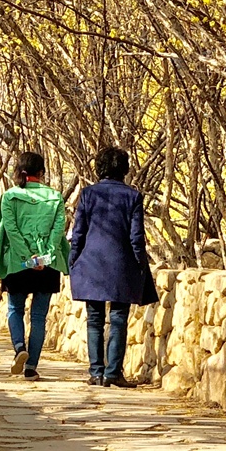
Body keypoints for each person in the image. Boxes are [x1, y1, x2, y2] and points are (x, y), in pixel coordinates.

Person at [68, 145, 155, 388]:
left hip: (91, 263)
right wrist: (140, 262)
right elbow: (136, 236)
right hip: (121, 264)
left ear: (100, 167)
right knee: (118, 318)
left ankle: (96, 372)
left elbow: (79, 232)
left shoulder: (87, 194)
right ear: (124, 169)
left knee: (94, 318)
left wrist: (73, 260)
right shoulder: (133, 196)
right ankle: (113, 372)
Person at [0, 152, 69, 380]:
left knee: (15, 309)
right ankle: (32, 367)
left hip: (18, 263)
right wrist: (43, 258)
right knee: (38, 316)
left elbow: (11, 231)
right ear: (42, 173)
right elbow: (58, 233)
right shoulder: (55, 197)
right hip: (47, 264)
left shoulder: (10, 196)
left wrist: (27, 257)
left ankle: (19, 347)